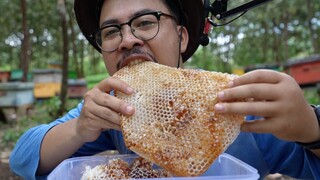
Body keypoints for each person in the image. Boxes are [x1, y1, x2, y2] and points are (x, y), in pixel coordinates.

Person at [9, 0, 320, 179]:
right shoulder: (114, 111)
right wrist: (79, 128)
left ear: (182, 38)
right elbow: (21, 158)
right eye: (112, 31)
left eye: (145, 22)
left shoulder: (242, 109)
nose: (127, 39)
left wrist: (312, 129)